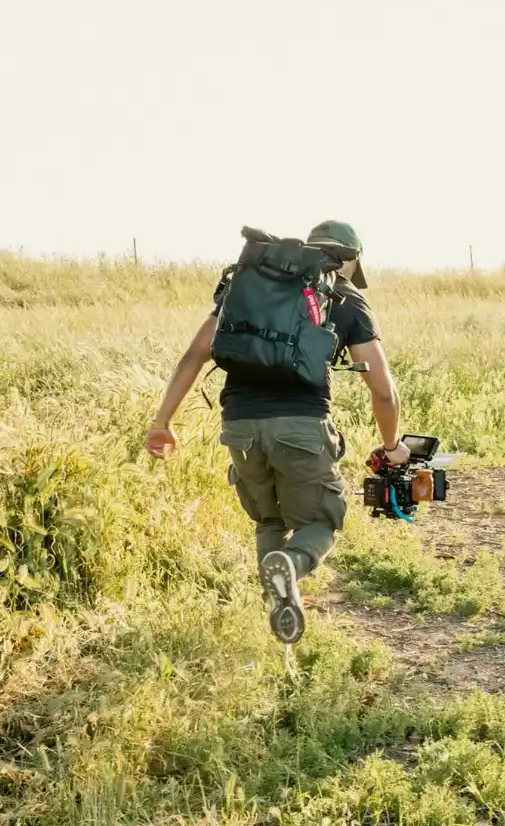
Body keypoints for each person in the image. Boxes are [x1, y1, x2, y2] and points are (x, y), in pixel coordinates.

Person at [144, 220, 407, 644]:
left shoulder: (253, 285)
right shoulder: (344, 296)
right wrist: (392, 446)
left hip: (239, 426)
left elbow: (195, 353)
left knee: (269, 518)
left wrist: (162, 424)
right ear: (352, 258)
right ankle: (292, 563)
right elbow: (383, 391)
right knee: (320, 520)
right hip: (301, 426)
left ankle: (282, 605)